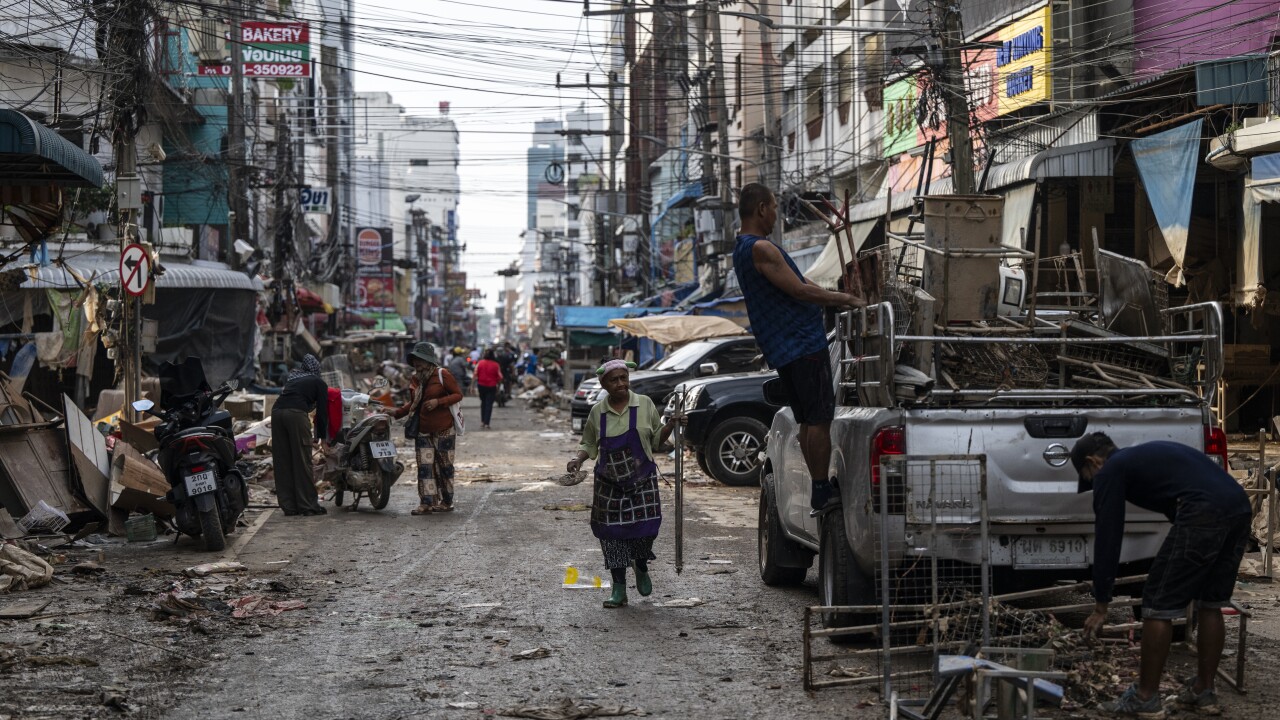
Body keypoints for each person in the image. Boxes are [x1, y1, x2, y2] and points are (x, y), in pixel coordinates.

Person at [1072, 433, 1252, 719]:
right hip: (1239, 507)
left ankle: (1145, 698)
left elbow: (1108, 535)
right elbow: (1174, 505)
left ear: (1094, 462)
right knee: (1211, 601)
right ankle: (1203, 693)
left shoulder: (1112, 469)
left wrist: (1101, 604)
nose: (1094, 484)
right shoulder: (1144, 458)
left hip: (1203, 510)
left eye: (1089, 477)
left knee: (1156, 602)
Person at [732, 182, 864, 511]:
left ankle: (819, 485)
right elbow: (800, 292)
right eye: (774, 206)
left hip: (785, 346)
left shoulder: (743, 247)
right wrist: (847, 299)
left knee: (808, 420)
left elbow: (802, 282)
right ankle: (821, 488)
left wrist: (833, 293)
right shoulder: (760, 248)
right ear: (762, 208)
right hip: (801, 343)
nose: (777, 214)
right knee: (818, 418)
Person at [565, 360, 684, 609]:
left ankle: (640, 565)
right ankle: (619, 588)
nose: (620, 383)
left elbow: (654, 442)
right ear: (603, 384)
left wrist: (671, 425)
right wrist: (578, 459)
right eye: (614, 380)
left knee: (647, 530)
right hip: (608, 485)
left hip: (643, 481)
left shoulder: (645, 404)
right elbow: (589, 444)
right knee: (611, 537)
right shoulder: (598, 411)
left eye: (623, 378)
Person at [394, 342, 464, 515]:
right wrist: (396, 413)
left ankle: (446, 501)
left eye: (420, 360)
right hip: (423, 429)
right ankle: (426, 503)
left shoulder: (442, 374)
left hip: (444, 428)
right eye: (415, 360)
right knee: (425, 467)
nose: (416, 363)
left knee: (445, 466)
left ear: (428, 361)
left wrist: (438, 402)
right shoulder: (416, 379)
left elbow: (458, 395)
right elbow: (414, 403)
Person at [271, 354, 329, 516]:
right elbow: (322, 413)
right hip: (296, 414)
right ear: (316, 368)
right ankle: (307, 506)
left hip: (276, 413)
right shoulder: (319, 382)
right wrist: (323, 438)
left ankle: (289, 506)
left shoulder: (294, 378)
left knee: (283, 460)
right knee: (302, 461)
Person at [474, 349, 502, 429]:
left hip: (481, 386)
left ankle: (482, 422)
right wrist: (498, 387)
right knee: (489, 404)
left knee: (483, 403)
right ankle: (487, 423)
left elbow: (475, 374)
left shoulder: (480, 363)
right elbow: (500, 377)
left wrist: (472, 386)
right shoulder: (496, 365)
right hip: (491, 386)